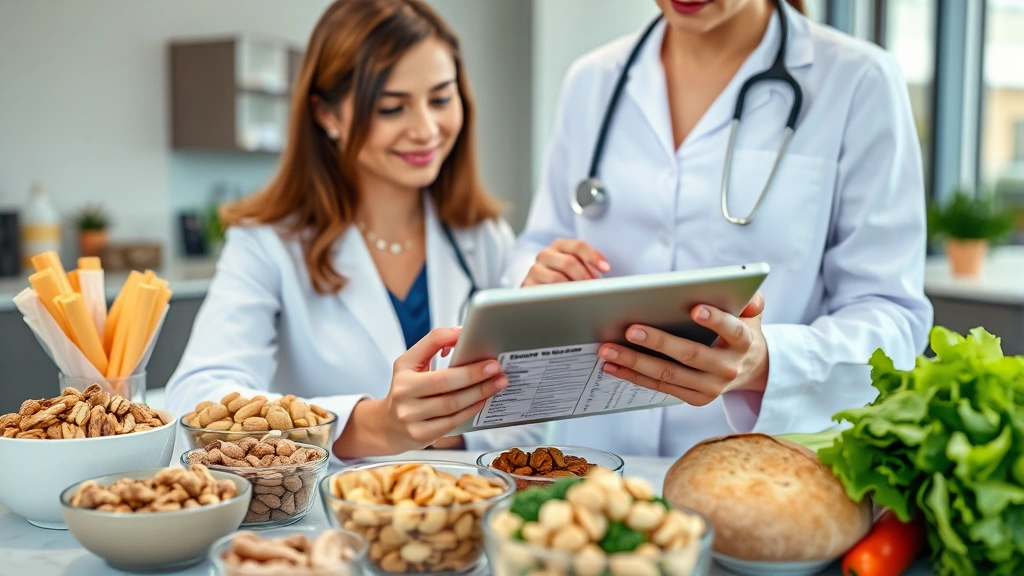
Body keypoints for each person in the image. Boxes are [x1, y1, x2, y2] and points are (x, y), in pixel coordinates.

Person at [504, 0, 934, 457]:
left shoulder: (858, 81)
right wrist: (537, 274)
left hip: (762, 473)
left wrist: (768, 362)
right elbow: (536, 244)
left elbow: (893, 316)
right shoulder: (592, 80)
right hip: (592, 463)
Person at [165, 0, 542, 460]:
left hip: (460, 508)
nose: (426, 129)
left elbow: (527, 419)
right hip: (329, 519)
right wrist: (371, 427)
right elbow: (197, 398)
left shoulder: (482, 236)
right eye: (390, 108)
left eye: (441, 99)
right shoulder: (266, 243)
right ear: (326, 115)